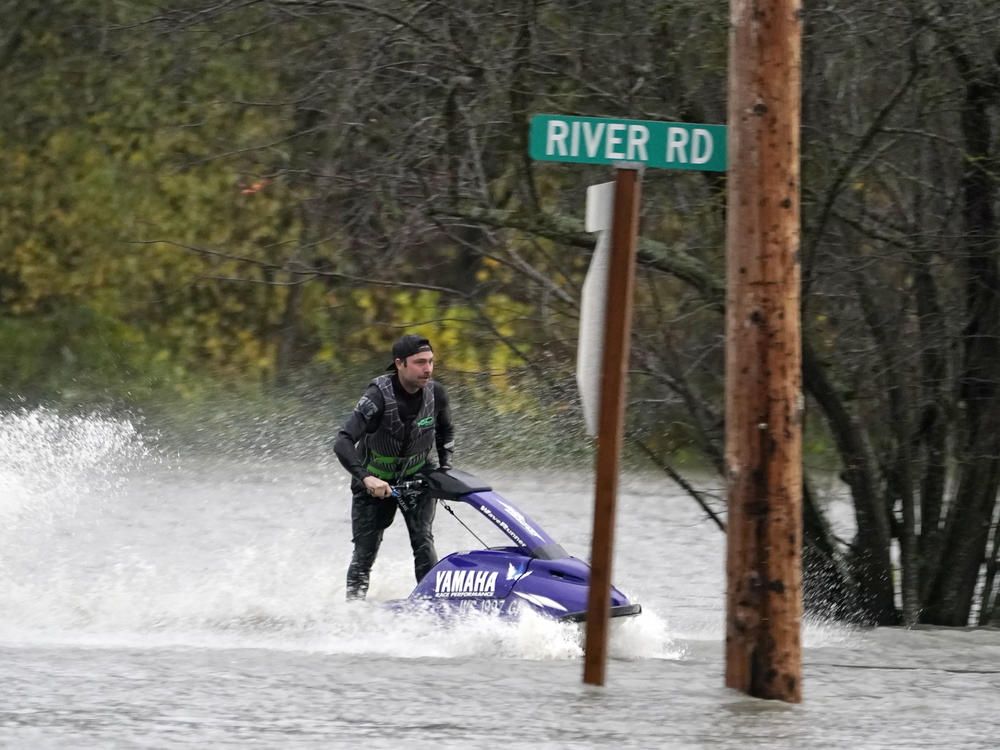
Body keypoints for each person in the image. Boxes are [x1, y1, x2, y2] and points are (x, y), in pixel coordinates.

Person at [333, 333, 455, 600]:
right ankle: (352, 610)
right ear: (399, 364)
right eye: (420, 362)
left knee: (423, 541)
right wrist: (366, 478)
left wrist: (445, 468)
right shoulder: (377, 397)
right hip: (374, 485)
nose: (428, 369)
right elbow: (342, 441)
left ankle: (429, 607)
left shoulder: (437, 394)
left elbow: (445, 432)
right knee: (365, 553)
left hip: (417, 479)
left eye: (431, 362)